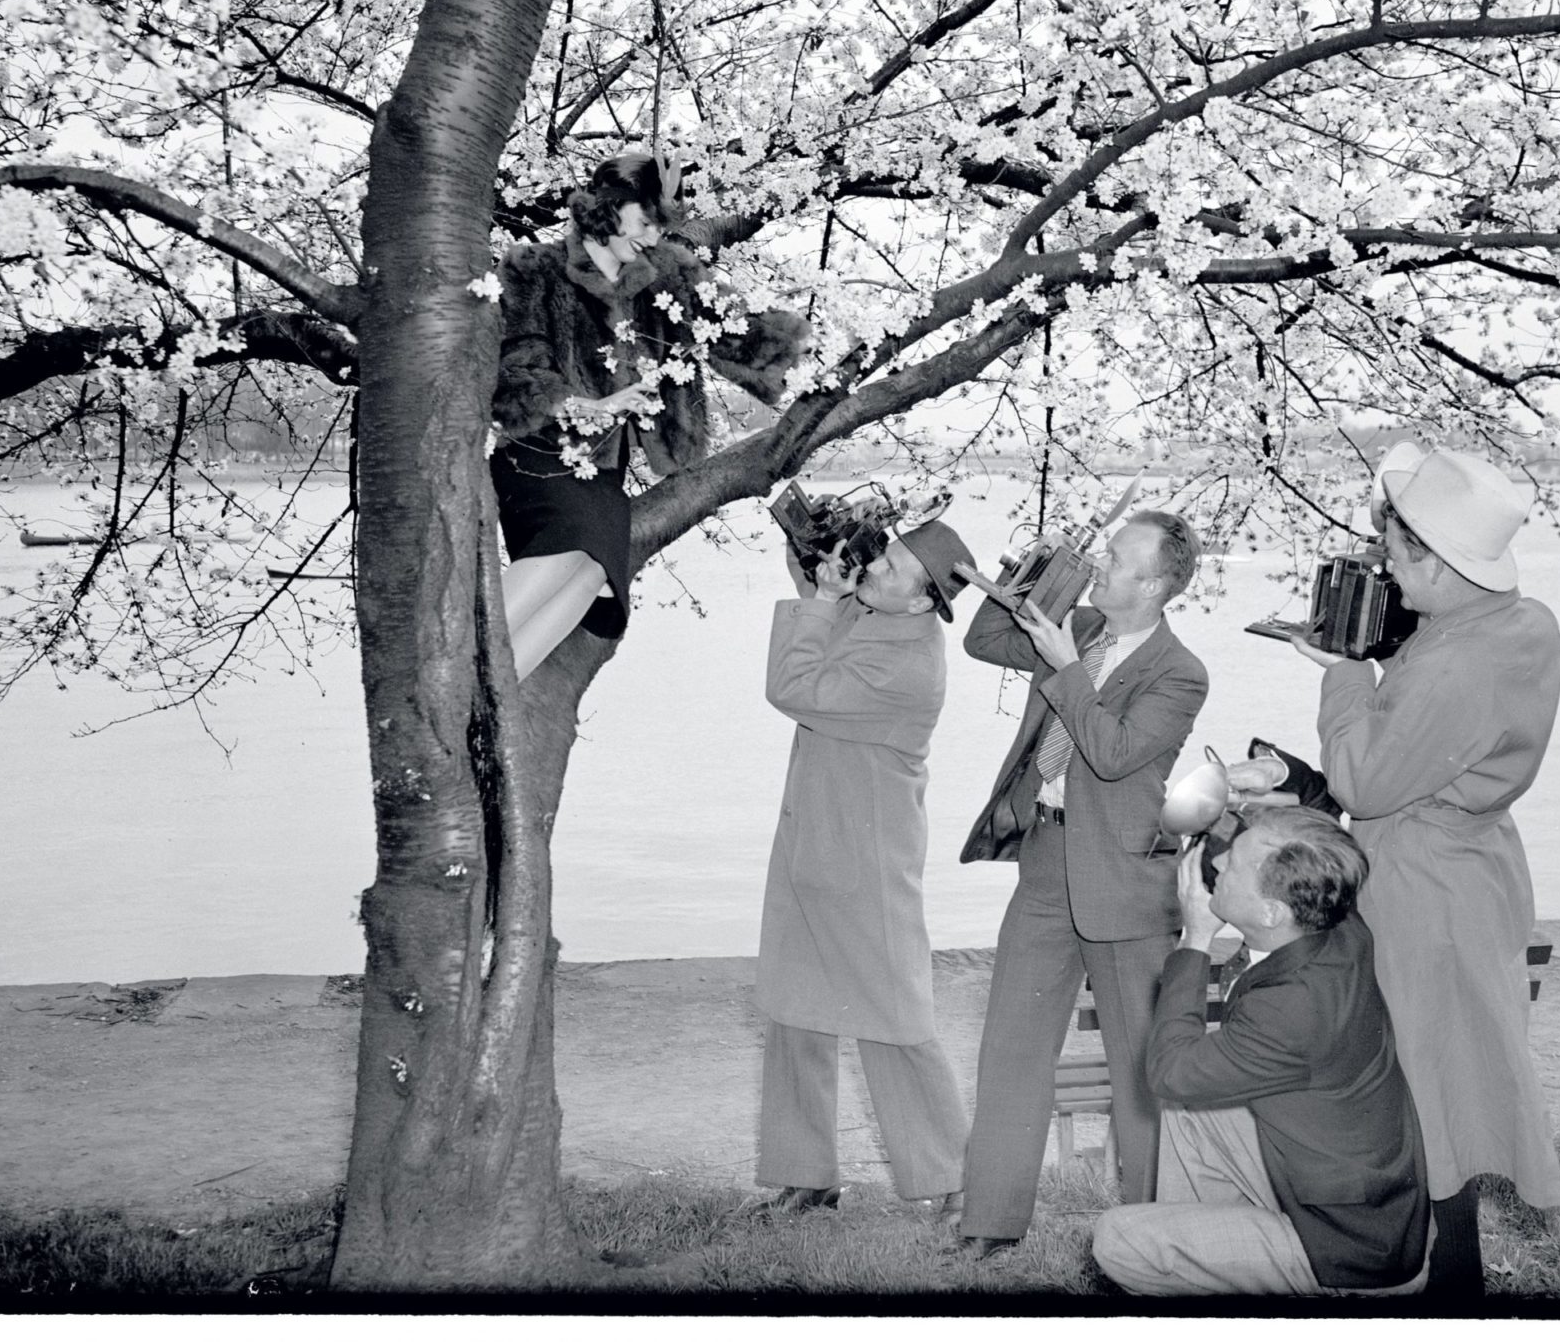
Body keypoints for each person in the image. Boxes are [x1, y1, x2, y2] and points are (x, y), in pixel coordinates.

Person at [1273, 445, 1560, 1298]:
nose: (1391, 580)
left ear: (1441, 562)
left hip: (1422, 886)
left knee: (1425, 1086)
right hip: (1474, 868)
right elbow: (1422, 750)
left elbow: (1367, 780)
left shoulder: (1452, 656)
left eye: (1400, 561)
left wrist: (1344, 677)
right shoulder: (1520, 623)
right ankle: (1448, 1274)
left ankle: (1443, 1283)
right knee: (1454, 1076)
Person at [949, 510, 1211, 1259]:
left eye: (1116, 558)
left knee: (1139, 1071)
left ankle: (1157, 1228)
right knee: (1011, 1049)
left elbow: (1114, 751)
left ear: (1155, 583)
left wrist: (1066, 665)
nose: (1102, 562)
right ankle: (989, 1227)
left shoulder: (1178, 671)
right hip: (1044, 864)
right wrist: (1037, 577)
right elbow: (984, 640)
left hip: (1126, 884)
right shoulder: (1083, 622)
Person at [488, 152, 807, 678]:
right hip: (539, 454)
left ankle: (497, 682)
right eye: (644, 222)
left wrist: (808, 356)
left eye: (662, 225)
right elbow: (518, 368)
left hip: (600, 468)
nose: (654, 238)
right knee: (577, 550)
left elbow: (734, 331)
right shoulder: (534, 269)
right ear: (606, 210)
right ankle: (461, 662)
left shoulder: (668, 275)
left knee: (595, 576)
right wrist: (587, 405)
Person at [1092, 807, 1431, 1297]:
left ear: (1272, 913)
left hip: (1346, 1249)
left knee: (1120, 1240)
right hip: (1361, 1197)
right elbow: (1314, 826)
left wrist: (1195, 939)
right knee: (1192, 1108)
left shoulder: (1291, 1009)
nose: (1221, 861)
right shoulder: (1339, 924)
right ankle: (1216, 1254)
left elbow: (1167, 1070)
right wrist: (1226, 810)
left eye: (1232, 864)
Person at [751, 515, 978, 1218]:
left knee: (895, 1022)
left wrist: (822, 598)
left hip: (866, 861)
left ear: (922, 601)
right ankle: (806, 1175)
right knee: (794, 1013)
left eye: (890, 567)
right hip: (812, 841)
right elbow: (825, 600)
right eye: (883, 554)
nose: (874, 569)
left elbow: (794, 684)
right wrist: (817, 554)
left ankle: (955, 1181)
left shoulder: (907, 668)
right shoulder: (878, 607)